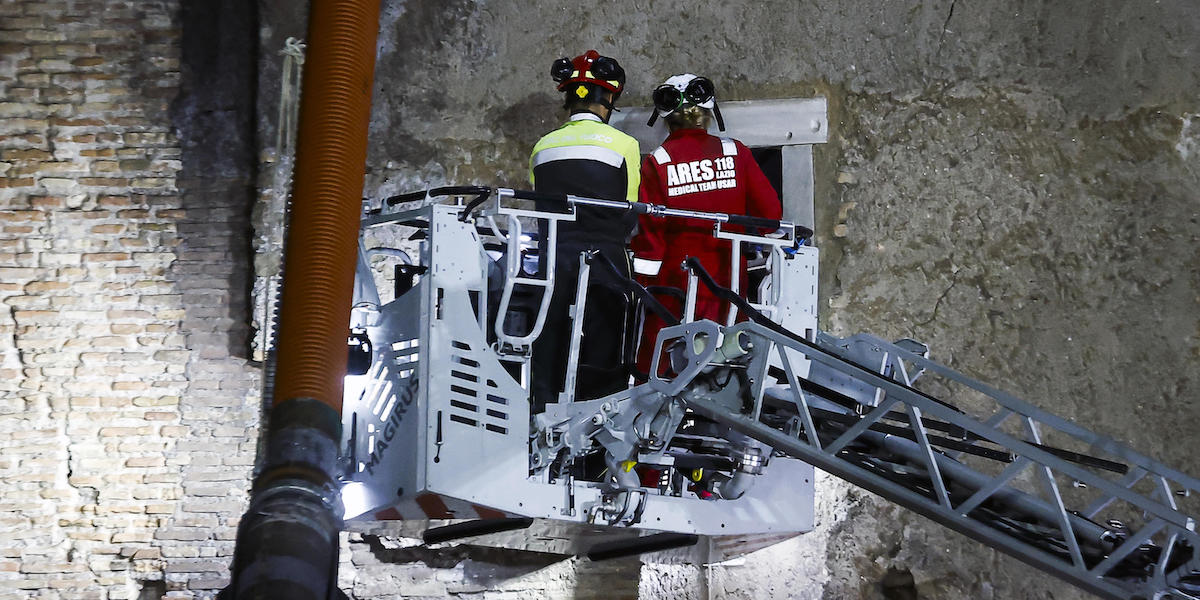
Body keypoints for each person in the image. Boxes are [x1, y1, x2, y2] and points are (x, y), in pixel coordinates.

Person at [631, 73, 781, 375]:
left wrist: (640, 288)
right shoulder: (735, 152)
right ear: (710, 113)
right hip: (728, 287)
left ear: (665, 118)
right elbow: (770, 215)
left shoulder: (658, 161)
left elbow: (651, 239)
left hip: (674, 290)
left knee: (658, 371)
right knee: (727, 367)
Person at [528, 50, 641, 411]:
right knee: (607, 348)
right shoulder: (626, 146)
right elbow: (630, 208)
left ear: (568, 97)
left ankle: (542, 412)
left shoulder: (541, 147)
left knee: (550, 345)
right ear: (608, 97)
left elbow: (540, 202)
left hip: (552, 263)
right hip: (605, 262)